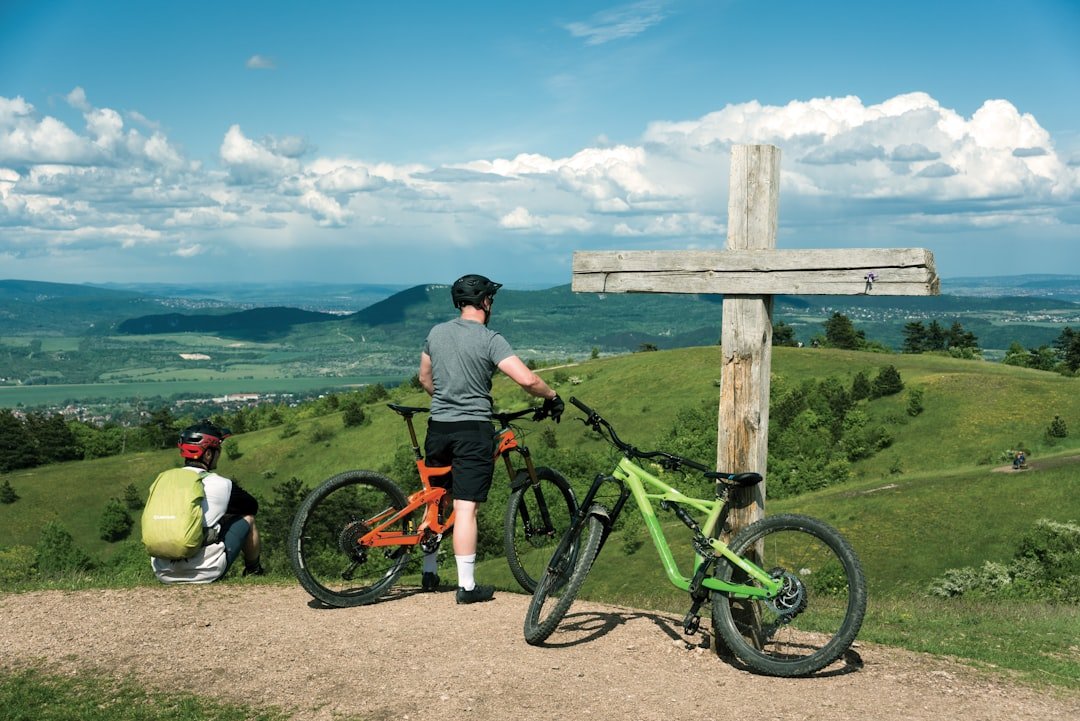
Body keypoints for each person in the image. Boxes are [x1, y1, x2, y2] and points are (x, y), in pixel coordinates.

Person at [418, 274, 564, 604]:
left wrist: (446, 398)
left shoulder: (436, 333)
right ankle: (467, 586)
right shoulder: (489, 338)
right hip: (472, 430)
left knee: (436, 497)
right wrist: (552, 396)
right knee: (466, 506)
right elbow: (527, 379)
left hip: (438, 426)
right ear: (485, 302)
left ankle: (429, 572)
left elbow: (424, 377)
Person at [151, 420, 264, 583]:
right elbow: (252, 506)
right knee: (248, 519)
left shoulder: (162, 481)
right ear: (209, 454)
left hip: (163, 573)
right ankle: (254, 571)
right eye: (218, 450)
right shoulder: (221, 484)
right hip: (207, 571)